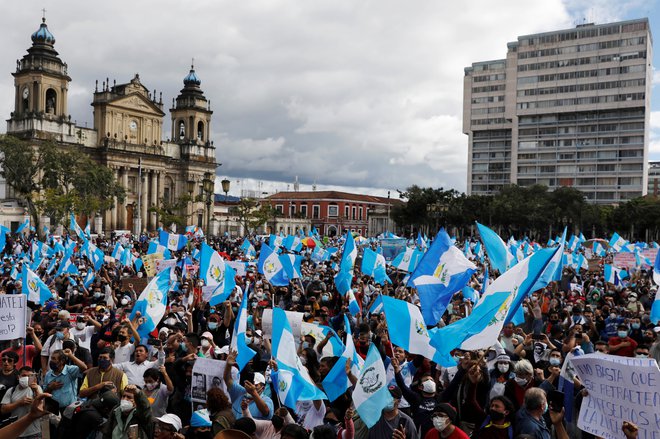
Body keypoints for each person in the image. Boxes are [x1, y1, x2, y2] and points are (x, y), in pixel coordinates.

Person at [224, 351, 273, 420]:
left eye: (256, 384)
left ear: (263, 388)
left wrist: (253, 393)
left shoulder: (267, 400)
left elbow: (266, 411)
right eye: (251, 382)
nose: (252, 386)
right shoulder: (240, 392)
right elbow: (227, 379)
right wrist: (228, 366)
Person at [0, 366, 42, 439]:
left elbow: (41, 407)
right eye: (24, 375)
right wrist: (19, 403)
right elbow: (3, 409)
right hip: (16, 432)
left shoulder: (37, 388)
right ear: (18, 377)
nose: (27, 378)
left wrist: (36, 391)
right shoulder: (11, 390)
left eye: (30, 376)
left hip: (33, 432)